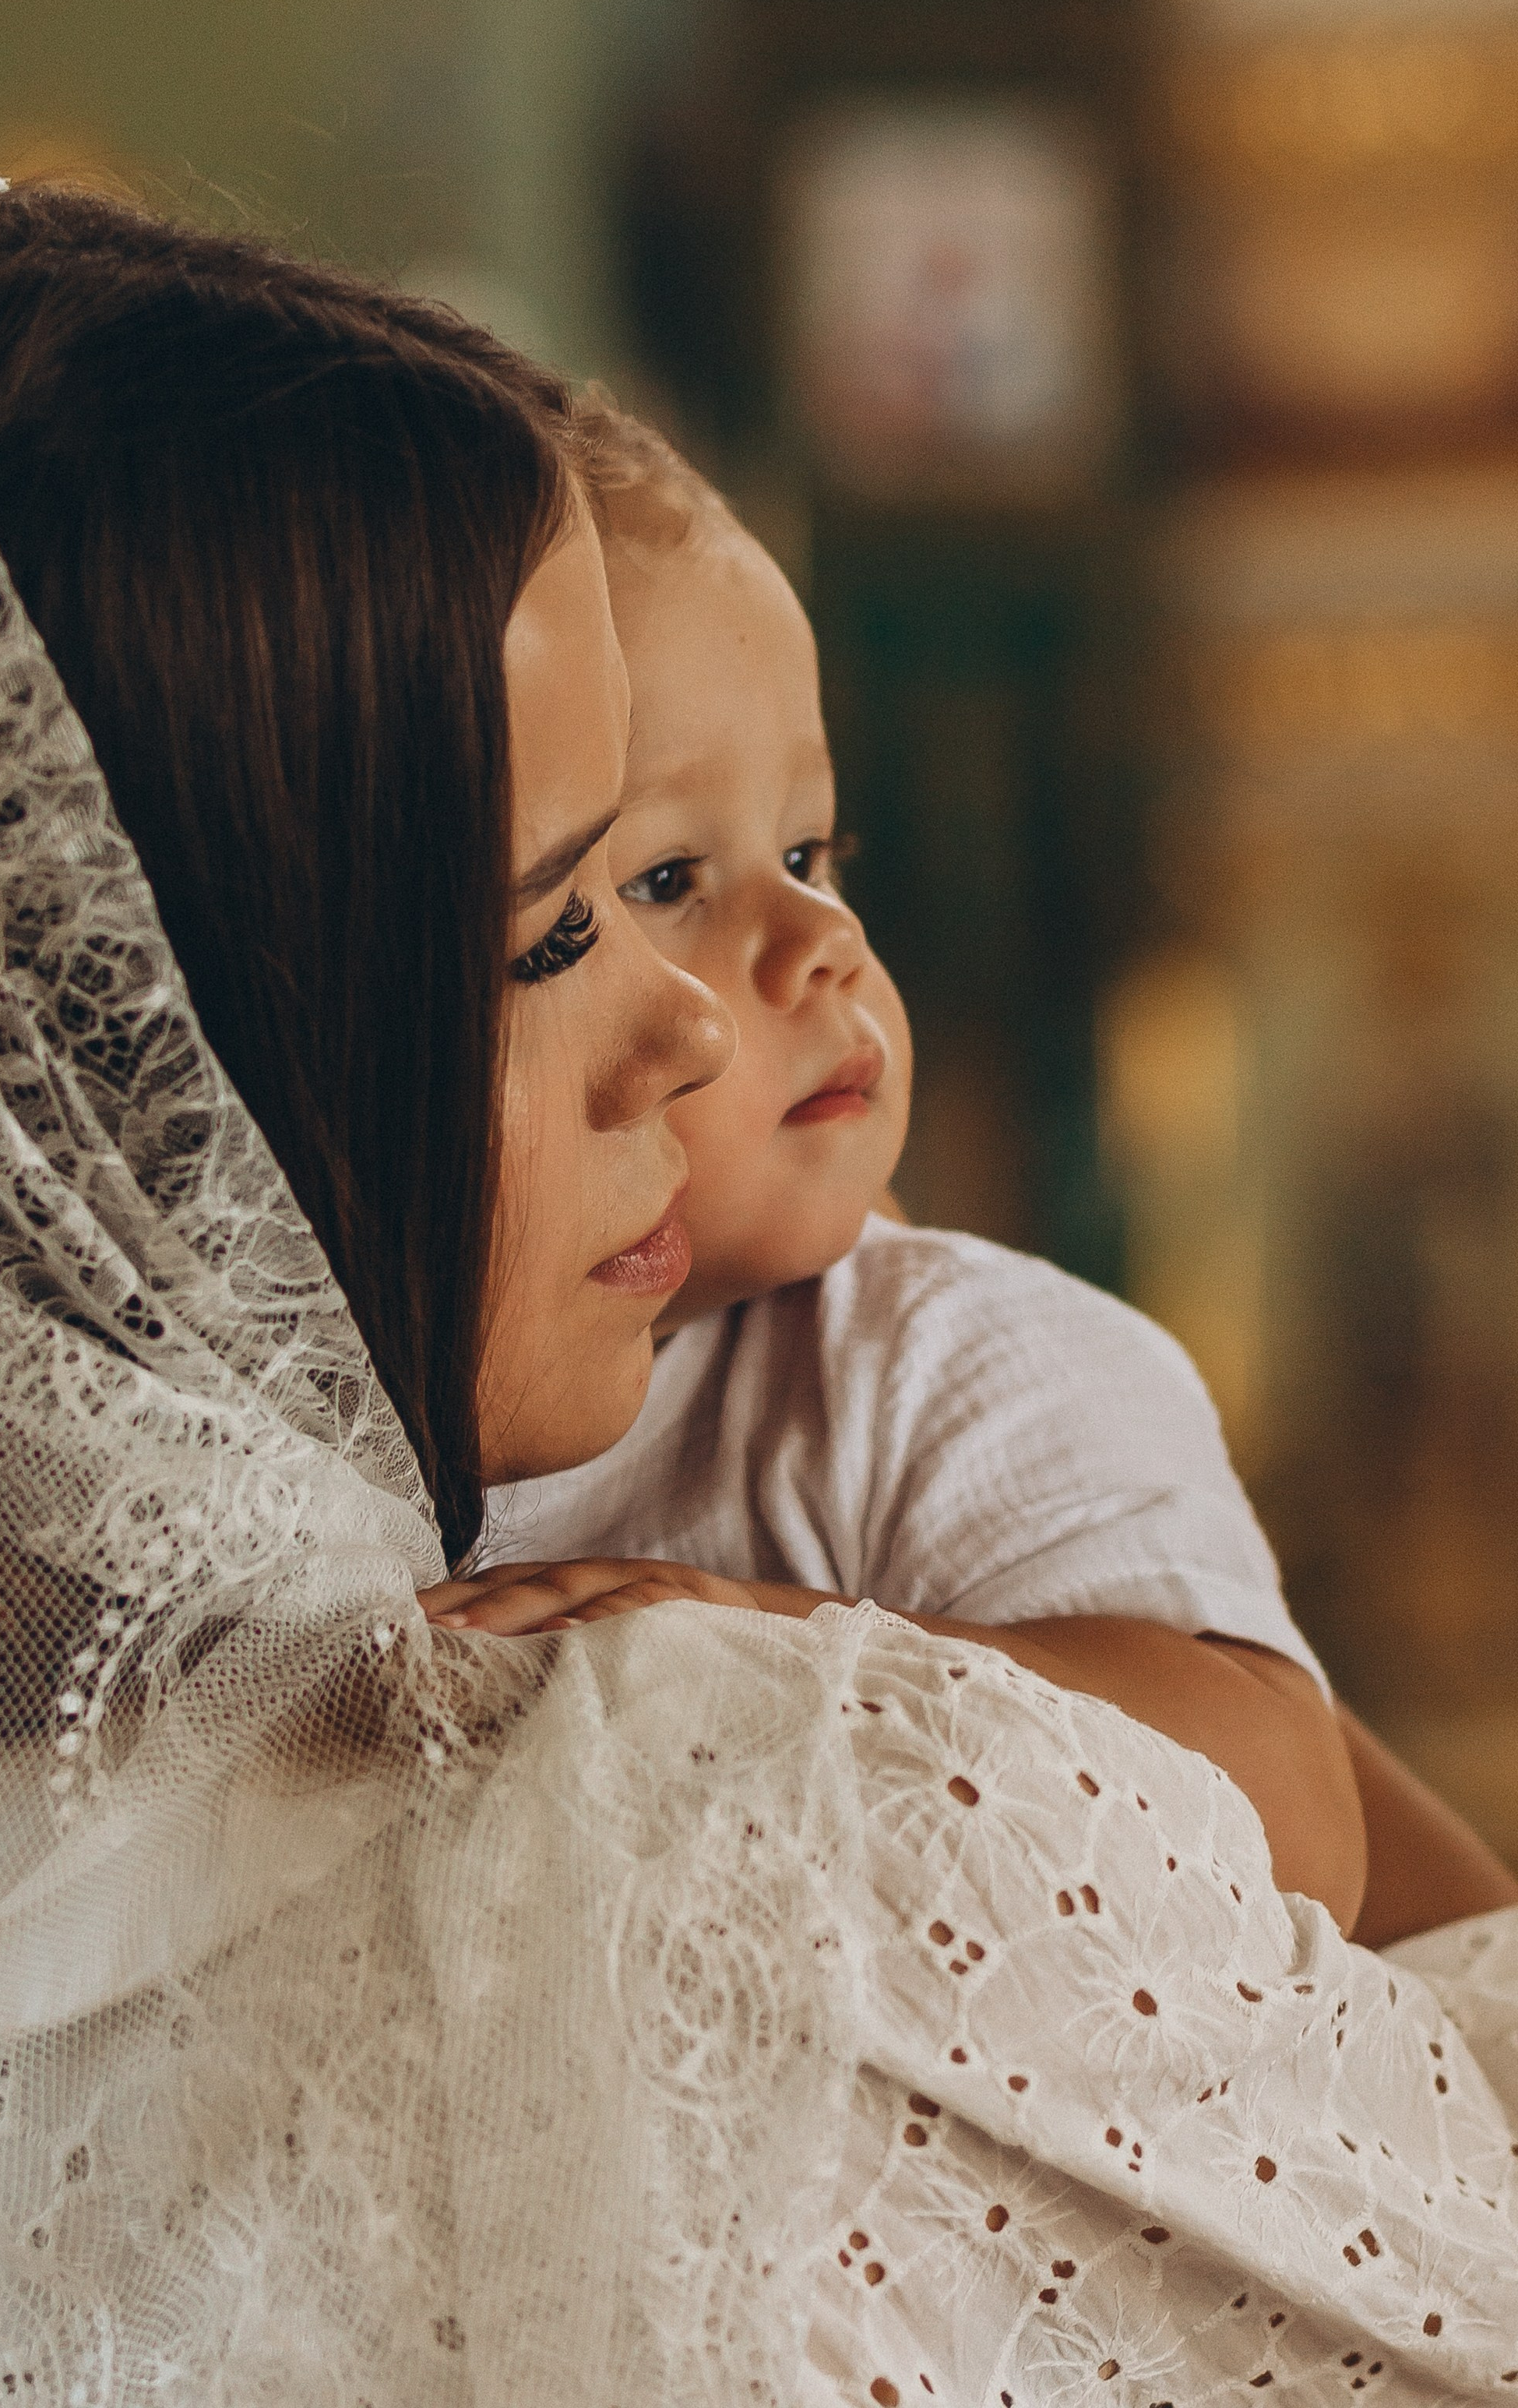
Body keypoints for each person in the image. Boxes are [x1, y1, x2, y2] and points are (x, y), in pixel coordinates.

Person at [0, 182, 1517, 2406]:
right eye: (568, 920)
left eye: (793, 863)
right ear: (159, 1067)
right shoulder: (783, 1818)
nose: (714, 1023)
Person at [456, 398, 1518, 1950]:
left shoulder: (948, 1364)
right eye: (667, 882)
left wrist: (781, 1655)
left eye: (813, 854)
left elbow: (1290, 1816)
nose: (821, 945)